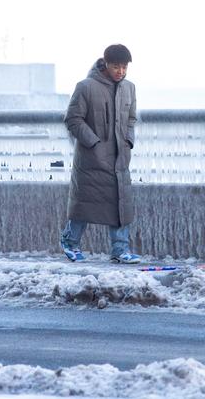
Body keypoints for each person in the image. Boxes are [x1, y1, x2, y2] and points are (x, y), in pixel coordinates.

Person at [60, 44, 140, 264]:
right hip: (91, 159)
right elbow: (72, 119)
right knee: (84, 205)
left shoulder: (129, 88)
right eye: (116, 67)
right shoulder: (85, 87)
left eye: (124, 68)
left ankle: (120, 250)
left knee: (121, 205)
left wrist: (129, 140)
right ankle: (70, 242)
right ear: (105, 63)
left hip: (119, 158)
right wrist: (93, 142)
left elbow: (131, 118)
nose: (121, 72)